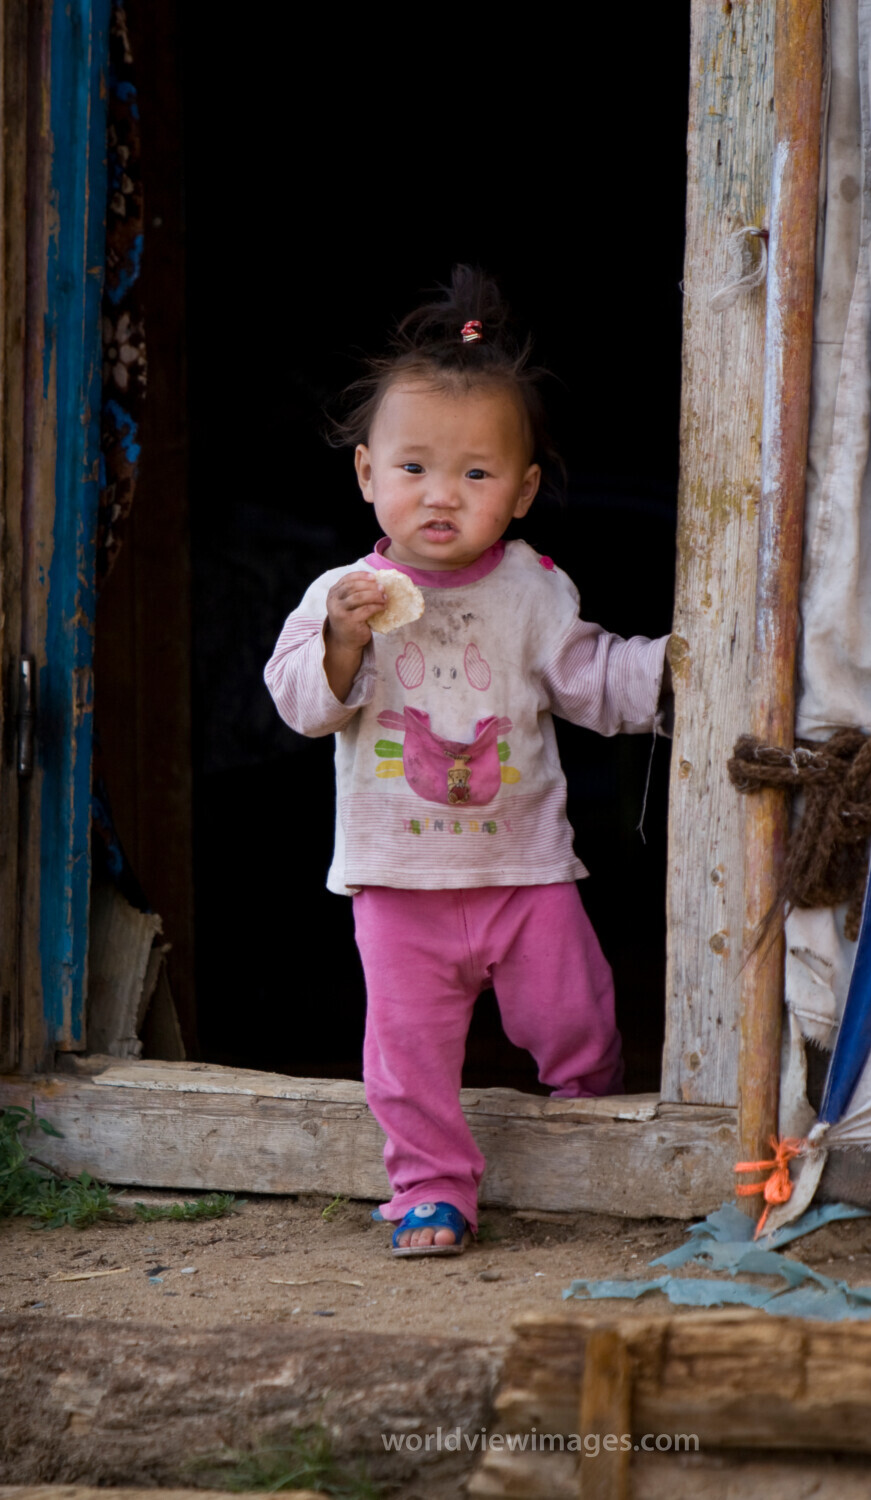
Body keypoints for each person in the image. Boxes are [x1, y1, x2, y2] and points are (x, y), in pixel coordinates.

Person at [265, 267, 671, 1256]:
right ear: (367, 474)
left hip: (526, 868)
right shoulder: (343, 592)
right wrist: (344, 645)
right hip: (398, 879)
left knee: (572, 1012)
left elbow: (590, 683)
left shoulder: (534, 590)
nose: (442, 494)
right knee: (407, 1052)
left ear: (523, 491)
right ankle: (431, 1190)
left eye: (477, 475)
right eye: (413, 470)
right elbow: (299, 705)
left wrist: (676, 670)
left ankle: (592, 1119)